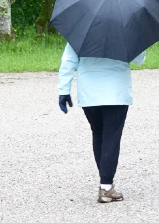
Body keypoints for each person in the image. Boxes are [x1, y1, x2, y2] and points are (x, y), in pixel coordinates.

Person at [57, 43, 145, 203]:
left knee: (98, 133)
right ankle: (106, 186)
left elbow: (68, 60)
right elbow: (139, 59)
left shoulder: (82, 28)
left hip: (89, 94)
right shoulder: (126, 29)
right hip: (116, 93)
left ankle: (106, 182)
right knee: (112, 136)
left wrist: (63, 90)